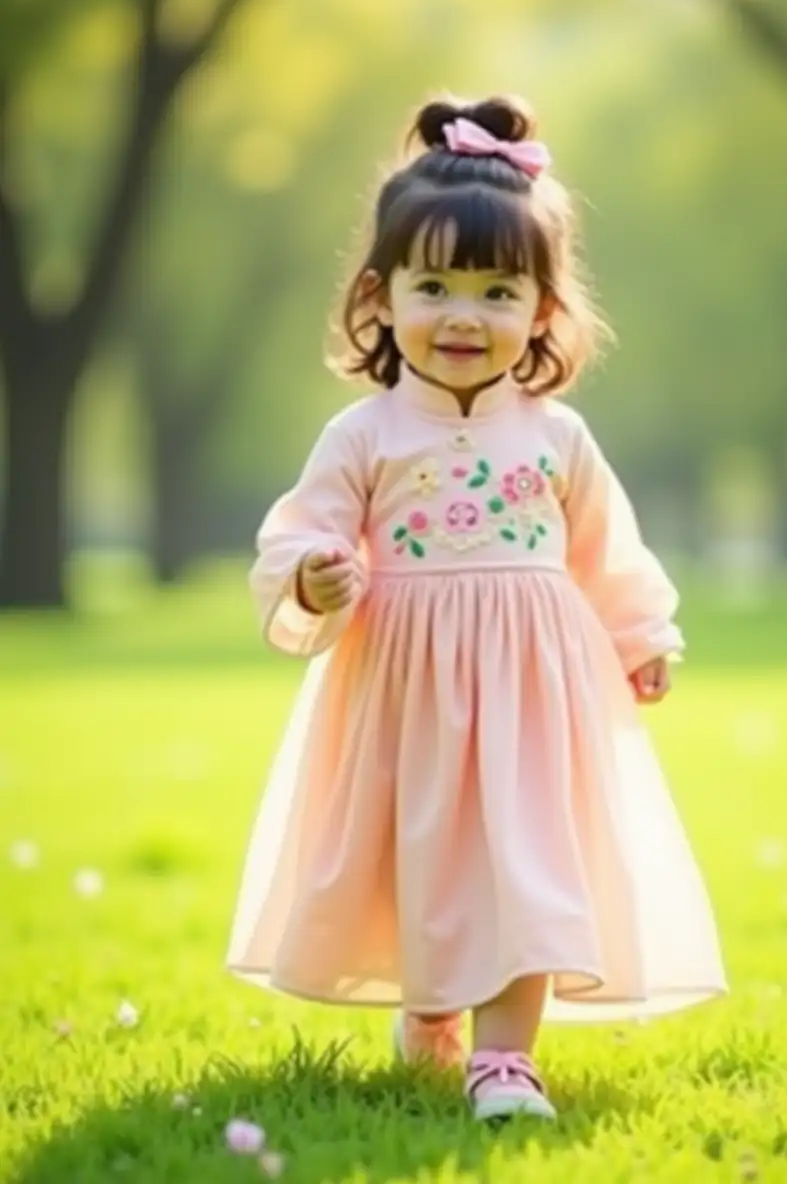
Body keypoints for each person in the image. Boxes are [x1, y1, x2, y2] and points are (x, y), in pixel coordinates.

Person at [227, 94, 727, 1122]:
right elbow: (299, 532)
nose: (465, 315)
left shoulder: (556, 437)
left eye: (499, 290)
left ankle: (506, 1057)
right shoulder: (364, 435)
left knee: (530, 855)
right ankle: (431, 1002)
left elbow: (605, 548)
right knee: (424, 850)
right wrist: (315, 574)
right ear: (381, 296)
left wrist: (640, 637)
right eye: (436, 286)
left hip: (536, 691)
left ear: (543, 308)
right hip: (402, 687)